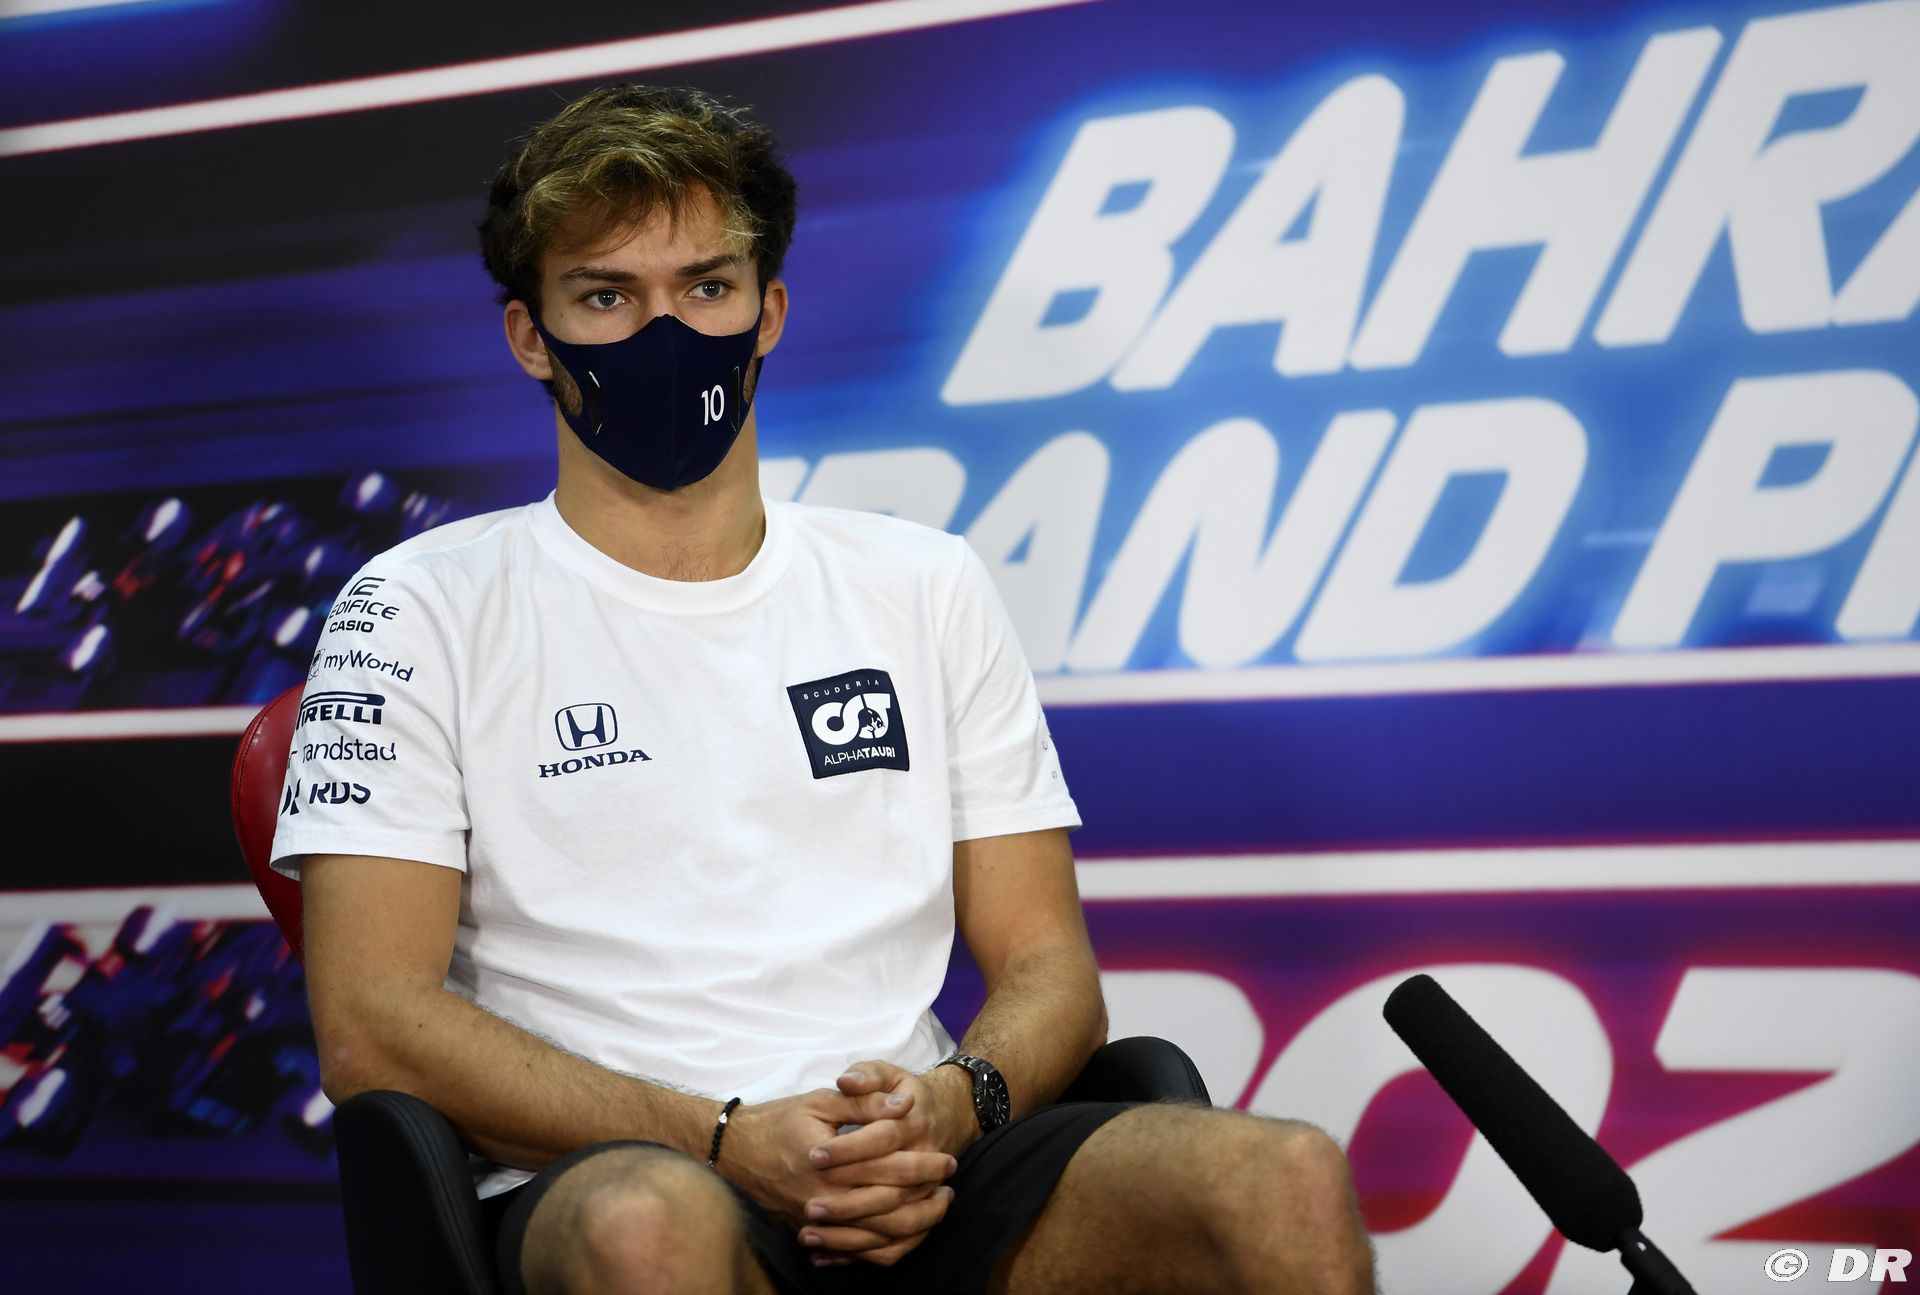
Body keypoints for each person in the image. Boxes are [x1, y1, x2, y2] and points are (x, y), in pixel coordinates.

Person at [270, 83, 1375, 1295]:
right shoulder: (415, 604)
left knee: (1282, 1178)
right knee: (647, 1222)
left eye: (706, 288)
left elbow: (1050, 967)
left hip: (922, 1169)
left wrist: (952, 1106)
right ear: (531, 336)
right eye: (607, 296)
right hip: (621, 1167)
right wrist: (724, 1138)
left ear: (770, 311)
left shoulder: (923, 581)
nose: (666, 333)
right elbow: (370, 1021)